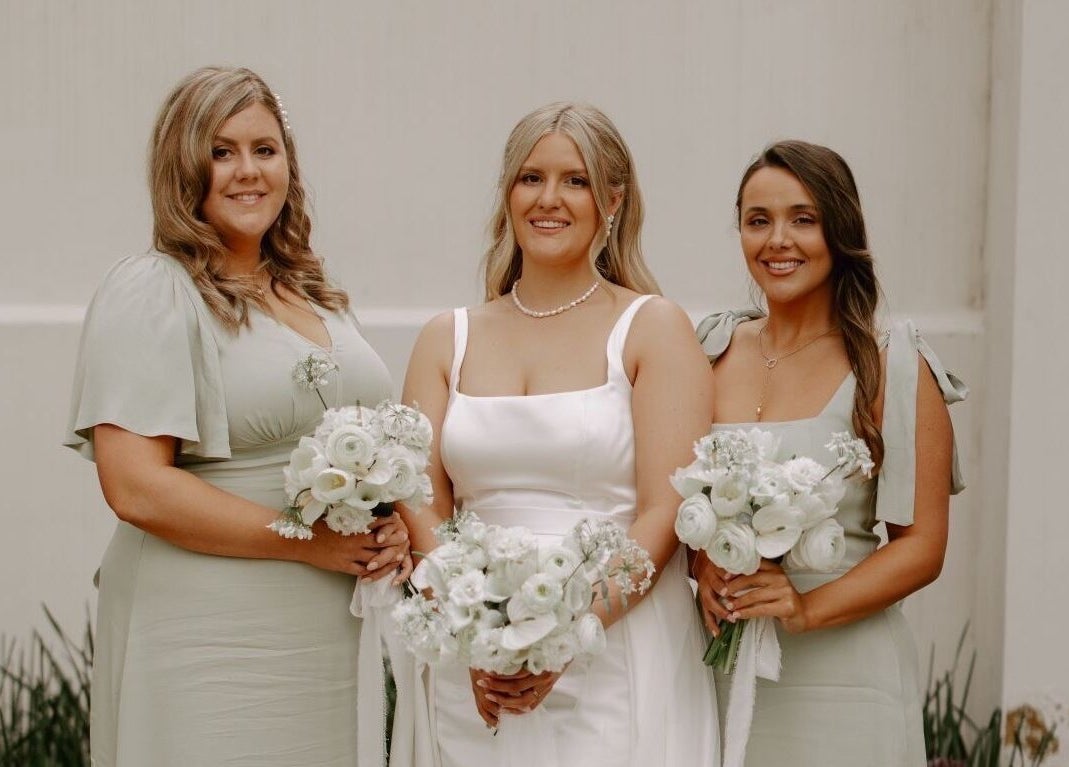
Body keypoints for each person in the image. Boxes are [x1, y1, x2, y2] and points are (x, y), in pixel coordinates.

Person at [64, 66, 411, 767]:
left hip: (324, 635)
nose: (247, 171)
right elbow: (135, 486)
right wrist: (305, 543)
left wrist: (390, 525)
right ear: (182, 168)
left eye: (264, 149)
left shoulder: (312, 292)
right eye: (220, 152)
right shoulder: (154, 289)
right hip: (207, 634)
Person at [396, 102, 720, 767]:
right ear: (507, 192)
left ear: (612, 200)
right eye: (531, 178)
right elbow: (421, 504)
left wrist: (565, 635)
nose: (549, 198)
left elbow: (664, 511)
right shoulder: (445, 338)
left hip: (612, 650)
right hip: (472, 659)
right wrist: (478, 633)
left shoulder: (652, 328)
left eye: (575, 180)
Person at [693, 140, 967, 766]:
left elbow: (922, 546)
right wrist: (702, 562)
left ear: (839, 229)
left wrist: (805, 608)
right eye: (758, 220)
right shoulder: (709, 349)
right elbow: (668, 492)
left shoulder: (892, 364)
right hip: (721, 667)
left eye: (803, 219)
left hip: (845, 681)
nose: (777, 240)